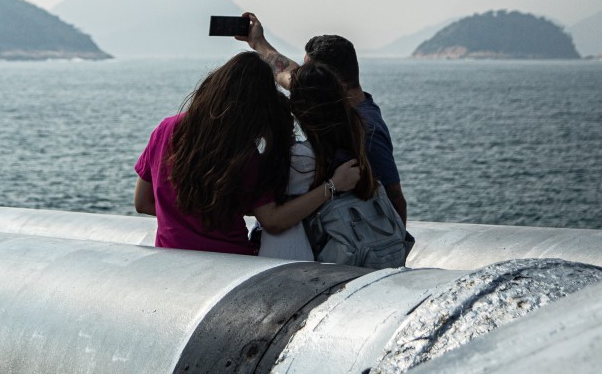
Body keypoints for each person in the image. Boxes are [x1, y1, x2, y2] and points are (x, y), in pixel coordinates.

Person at [134, 51, 360, 255]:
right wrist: (333, 185)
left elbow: (142, 202)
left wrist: (184, 218)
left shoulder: (165, 130)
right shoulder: (243, 154)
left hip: (170, 258)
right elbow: (273, 220)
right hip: (230, 263)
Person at [237, 14, 408, 227]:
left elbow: (396, 198)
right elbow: (286, 72)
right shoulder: (332, 103)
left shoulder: (366, 129)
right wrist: (258, 43)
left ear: (329, 81)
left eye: (309, 71)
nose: (301, 77)